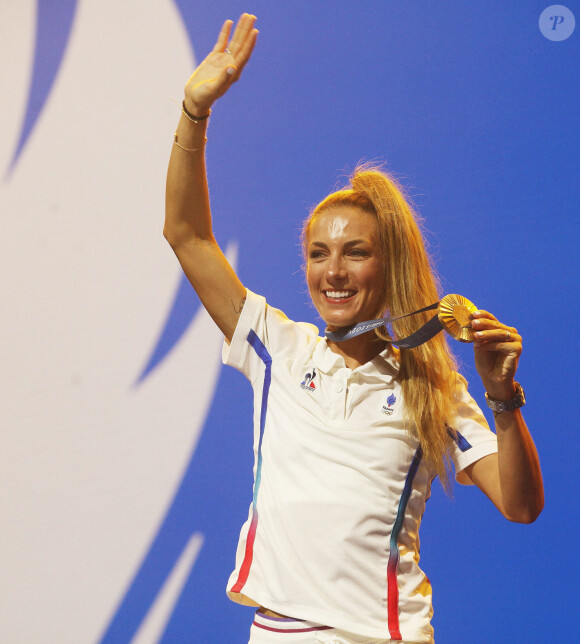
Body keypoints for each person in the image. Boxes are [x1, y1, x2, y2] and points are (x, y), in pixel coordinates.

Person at [163, 14, 543, 644]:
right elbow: (187, 234)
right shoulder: (276, 345)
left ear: (388, 263)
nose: (333, 272)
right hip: (274, 630)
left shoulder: (432, 382)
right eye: (318, 254)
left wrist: (503, 399)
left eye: (355, 253)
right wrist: (193, 110)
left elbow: (520, 505)